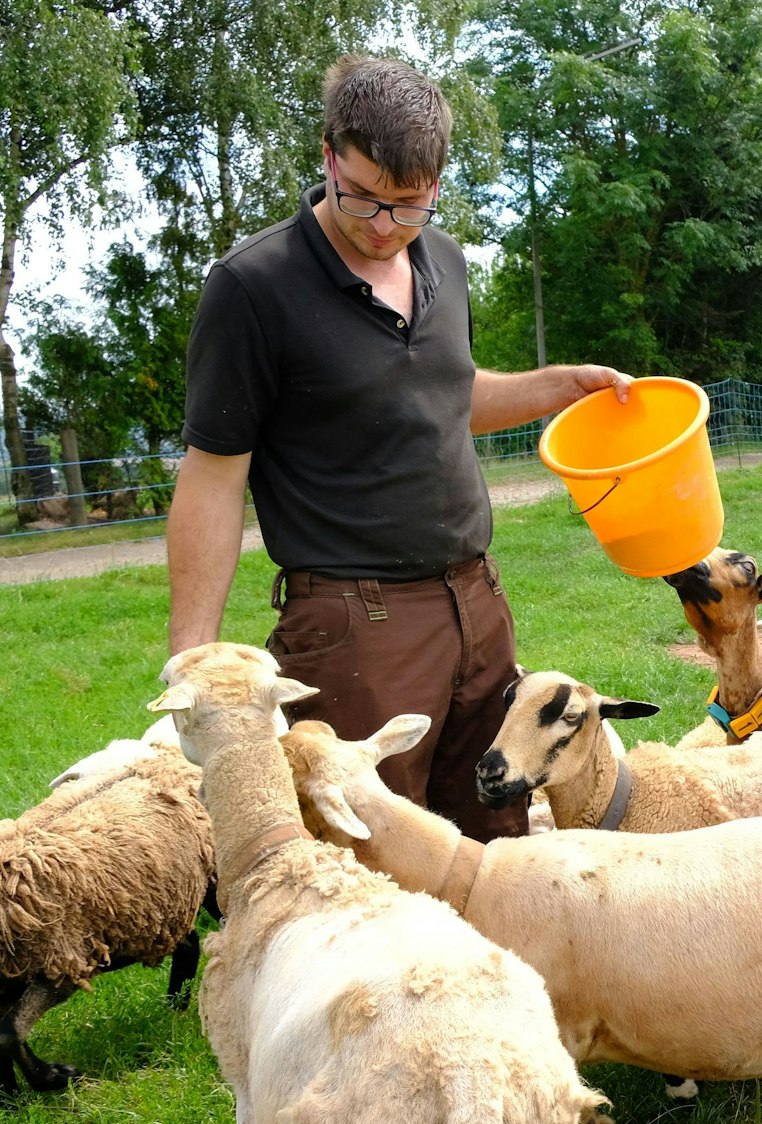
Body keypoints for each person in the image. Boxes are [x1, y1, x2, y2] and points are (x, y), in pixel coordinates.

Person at [167, 55, 631, 841]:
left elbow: (444, 396)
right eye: (362, 196)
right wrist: (194, 663)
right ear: (328, 156)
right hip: (356, 627)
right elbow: (213, 476)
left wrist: (559, 386)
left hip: (478, 605)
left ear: (436, 184)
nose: (384, 225)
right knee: (369, 855)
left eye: (409, 204)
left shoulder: (442, 257)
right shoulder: (253, 286)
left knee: (494, 846)